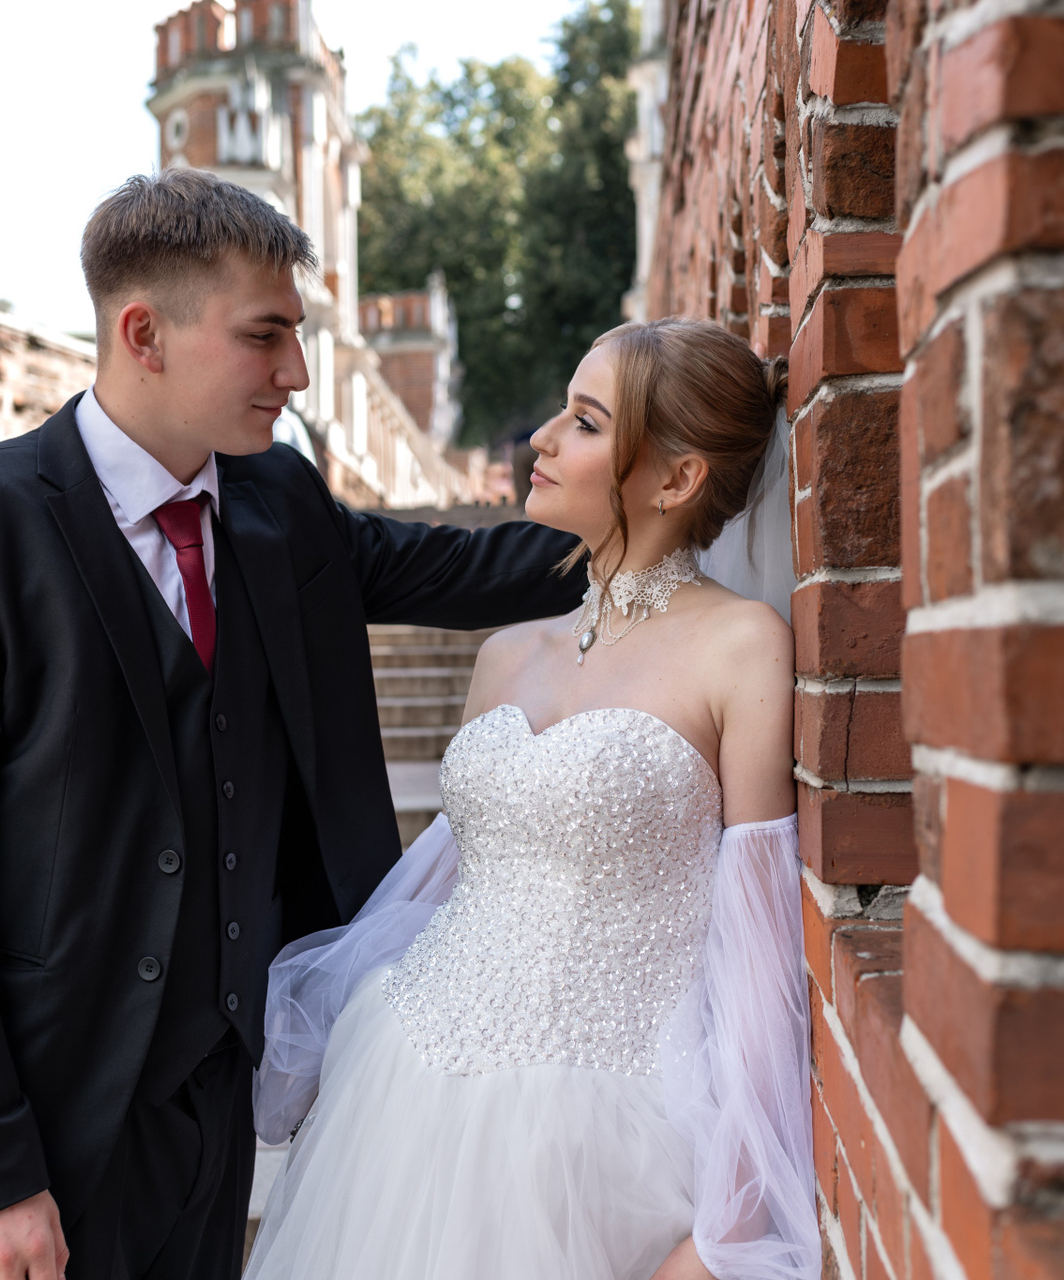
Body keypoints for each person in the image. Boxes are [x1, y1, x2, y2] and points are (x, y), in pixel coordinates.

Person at [0, 169, 585, 1280]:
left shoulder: (282, 503)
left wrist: (672, 504)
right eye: (264, 336)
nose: (297, 372)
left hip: (214, 1104)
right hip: (35, 1128)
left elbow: (469, 568)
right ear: (145, 333)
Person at [245, 317, 820, 1280]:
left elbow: (759, 942)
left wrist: (736, 1210)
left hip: (601, 1128)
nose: (541, 440)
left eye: (585, 422)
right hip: (406, 1087)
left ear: (678, 478)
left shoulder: (742, 647)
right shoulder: (507, 653)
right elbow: (461, 876)